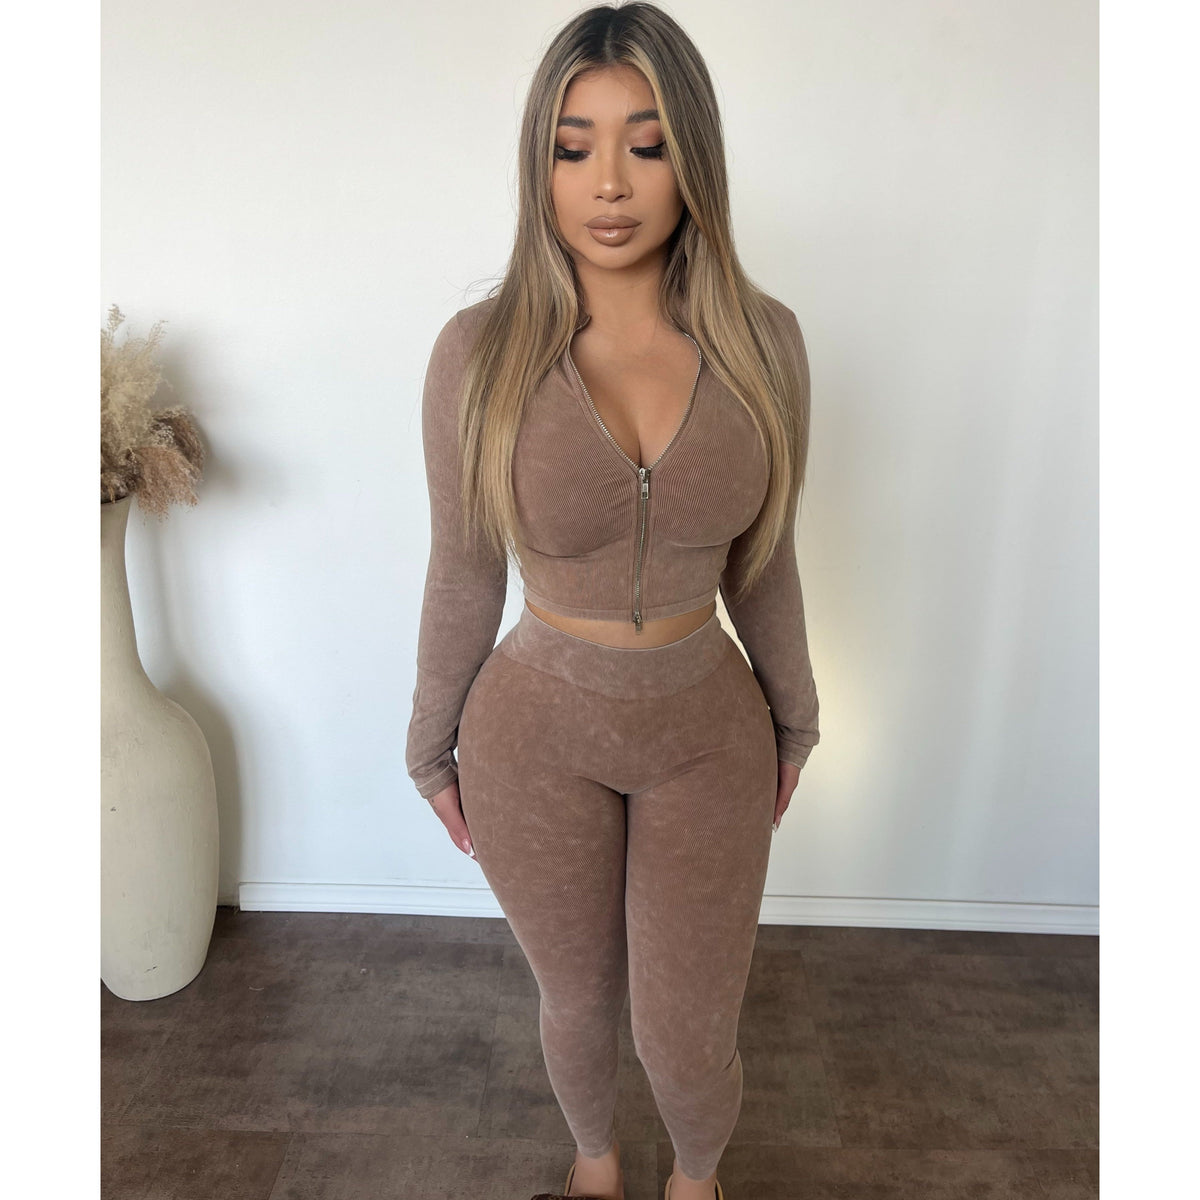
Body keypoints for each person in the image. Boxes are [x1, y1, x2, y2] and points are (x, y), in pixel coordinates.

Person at [405, 5, 820, 1198]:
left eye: (646, 144)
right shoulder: (477, 352)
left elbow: (766, 559)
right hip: (533, 732)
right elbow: (464, 565)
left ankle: (697, 1180)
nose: (609, 184)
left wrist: (796, 719)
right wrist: (430, 746)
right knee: (576, 1000)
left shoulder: (766, 344)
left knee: (687, 1031)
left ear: (694, 158)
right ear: (537, 163)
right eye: (572, 146)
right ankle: (594, 1168)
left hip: (707, 730)